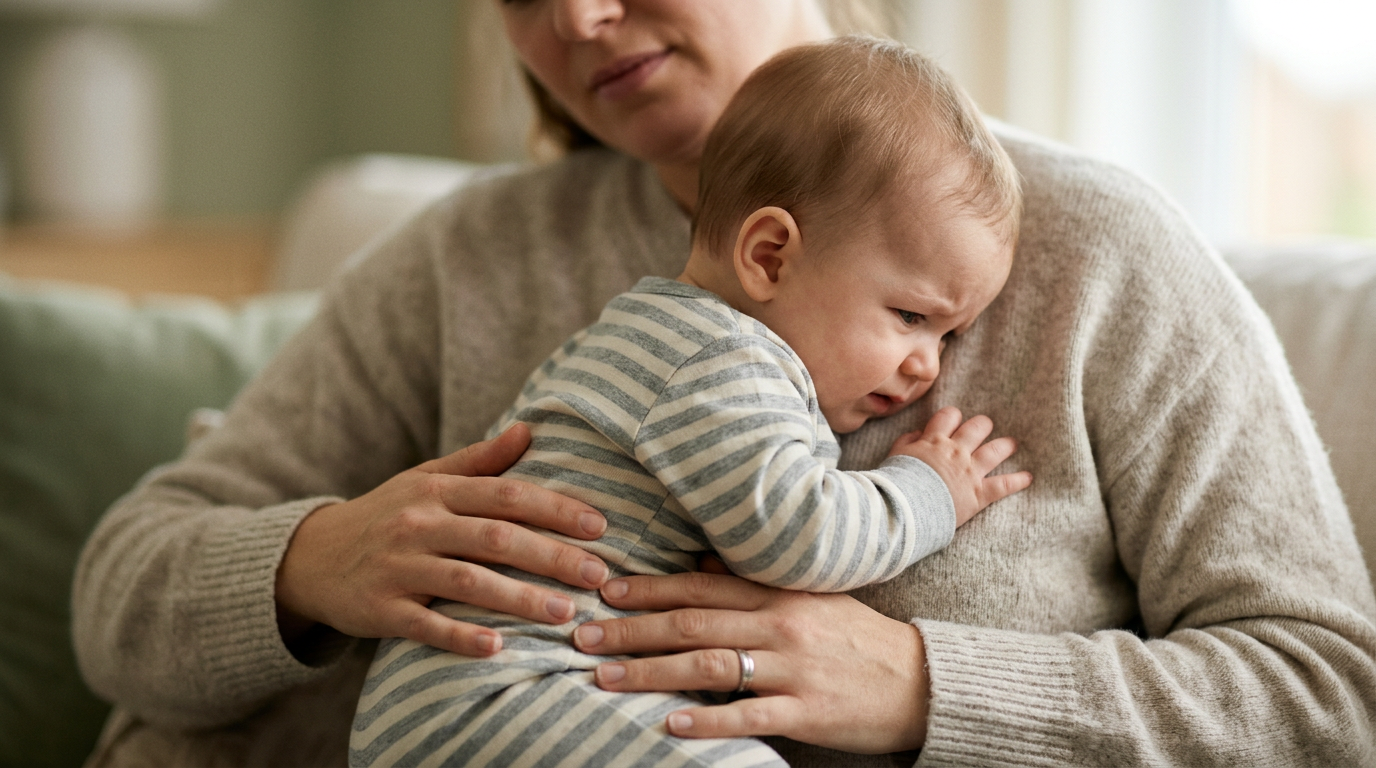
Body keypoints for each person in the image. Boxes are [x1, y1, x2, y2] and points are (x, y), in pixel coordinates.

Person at [72, 1, 1376, 766]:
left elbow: (1329, 697)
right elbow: (126, 592)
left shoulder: (1097, 253)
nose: (577, 18)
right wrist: (320, 560)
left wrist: (923, 686)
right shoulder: (463, 262)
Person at [350, 37, 1030, 768]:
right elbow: (800, 536)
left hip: (471, 698)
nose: (928, 366)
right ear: (769, 256)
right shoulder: (716, 360)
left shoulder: (655, 336)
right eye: (910, 317)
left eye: (950, 336)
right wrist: (928, 490)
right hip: (517, 686)